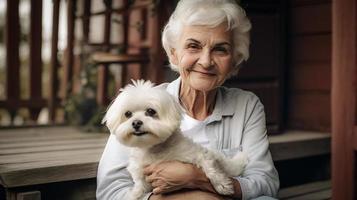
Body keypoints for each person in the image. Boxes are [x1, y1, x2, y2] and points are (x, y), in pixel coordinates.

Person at [96, 0, 280, 199]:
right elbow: (110, 190)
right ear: (174, 54)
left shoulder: (247, 106)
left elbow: (266, 183)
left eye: (220, 49)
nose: (206, 61)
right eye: (193, 46)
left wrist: (196, 177)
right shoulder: (141, 103)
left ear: (234, 59)